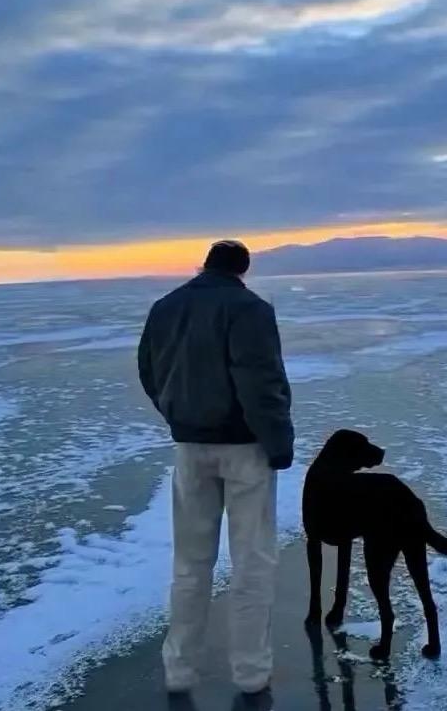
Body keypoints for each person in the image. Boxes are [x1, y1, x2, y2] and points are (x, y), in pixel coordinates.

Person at [138, 239, 295, 700]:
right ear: (242, 270)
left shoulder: (166, 307)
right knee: (251, 563)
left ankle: (179, 670)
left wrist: (178, 416)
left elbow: (150, 370)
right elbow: (261, 382)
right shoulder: (250, 309)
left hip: (191, 449)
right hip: (245, 449)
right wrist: (278, 443)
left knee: (190, 564)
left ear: (206, 264)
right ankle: (251, 674)